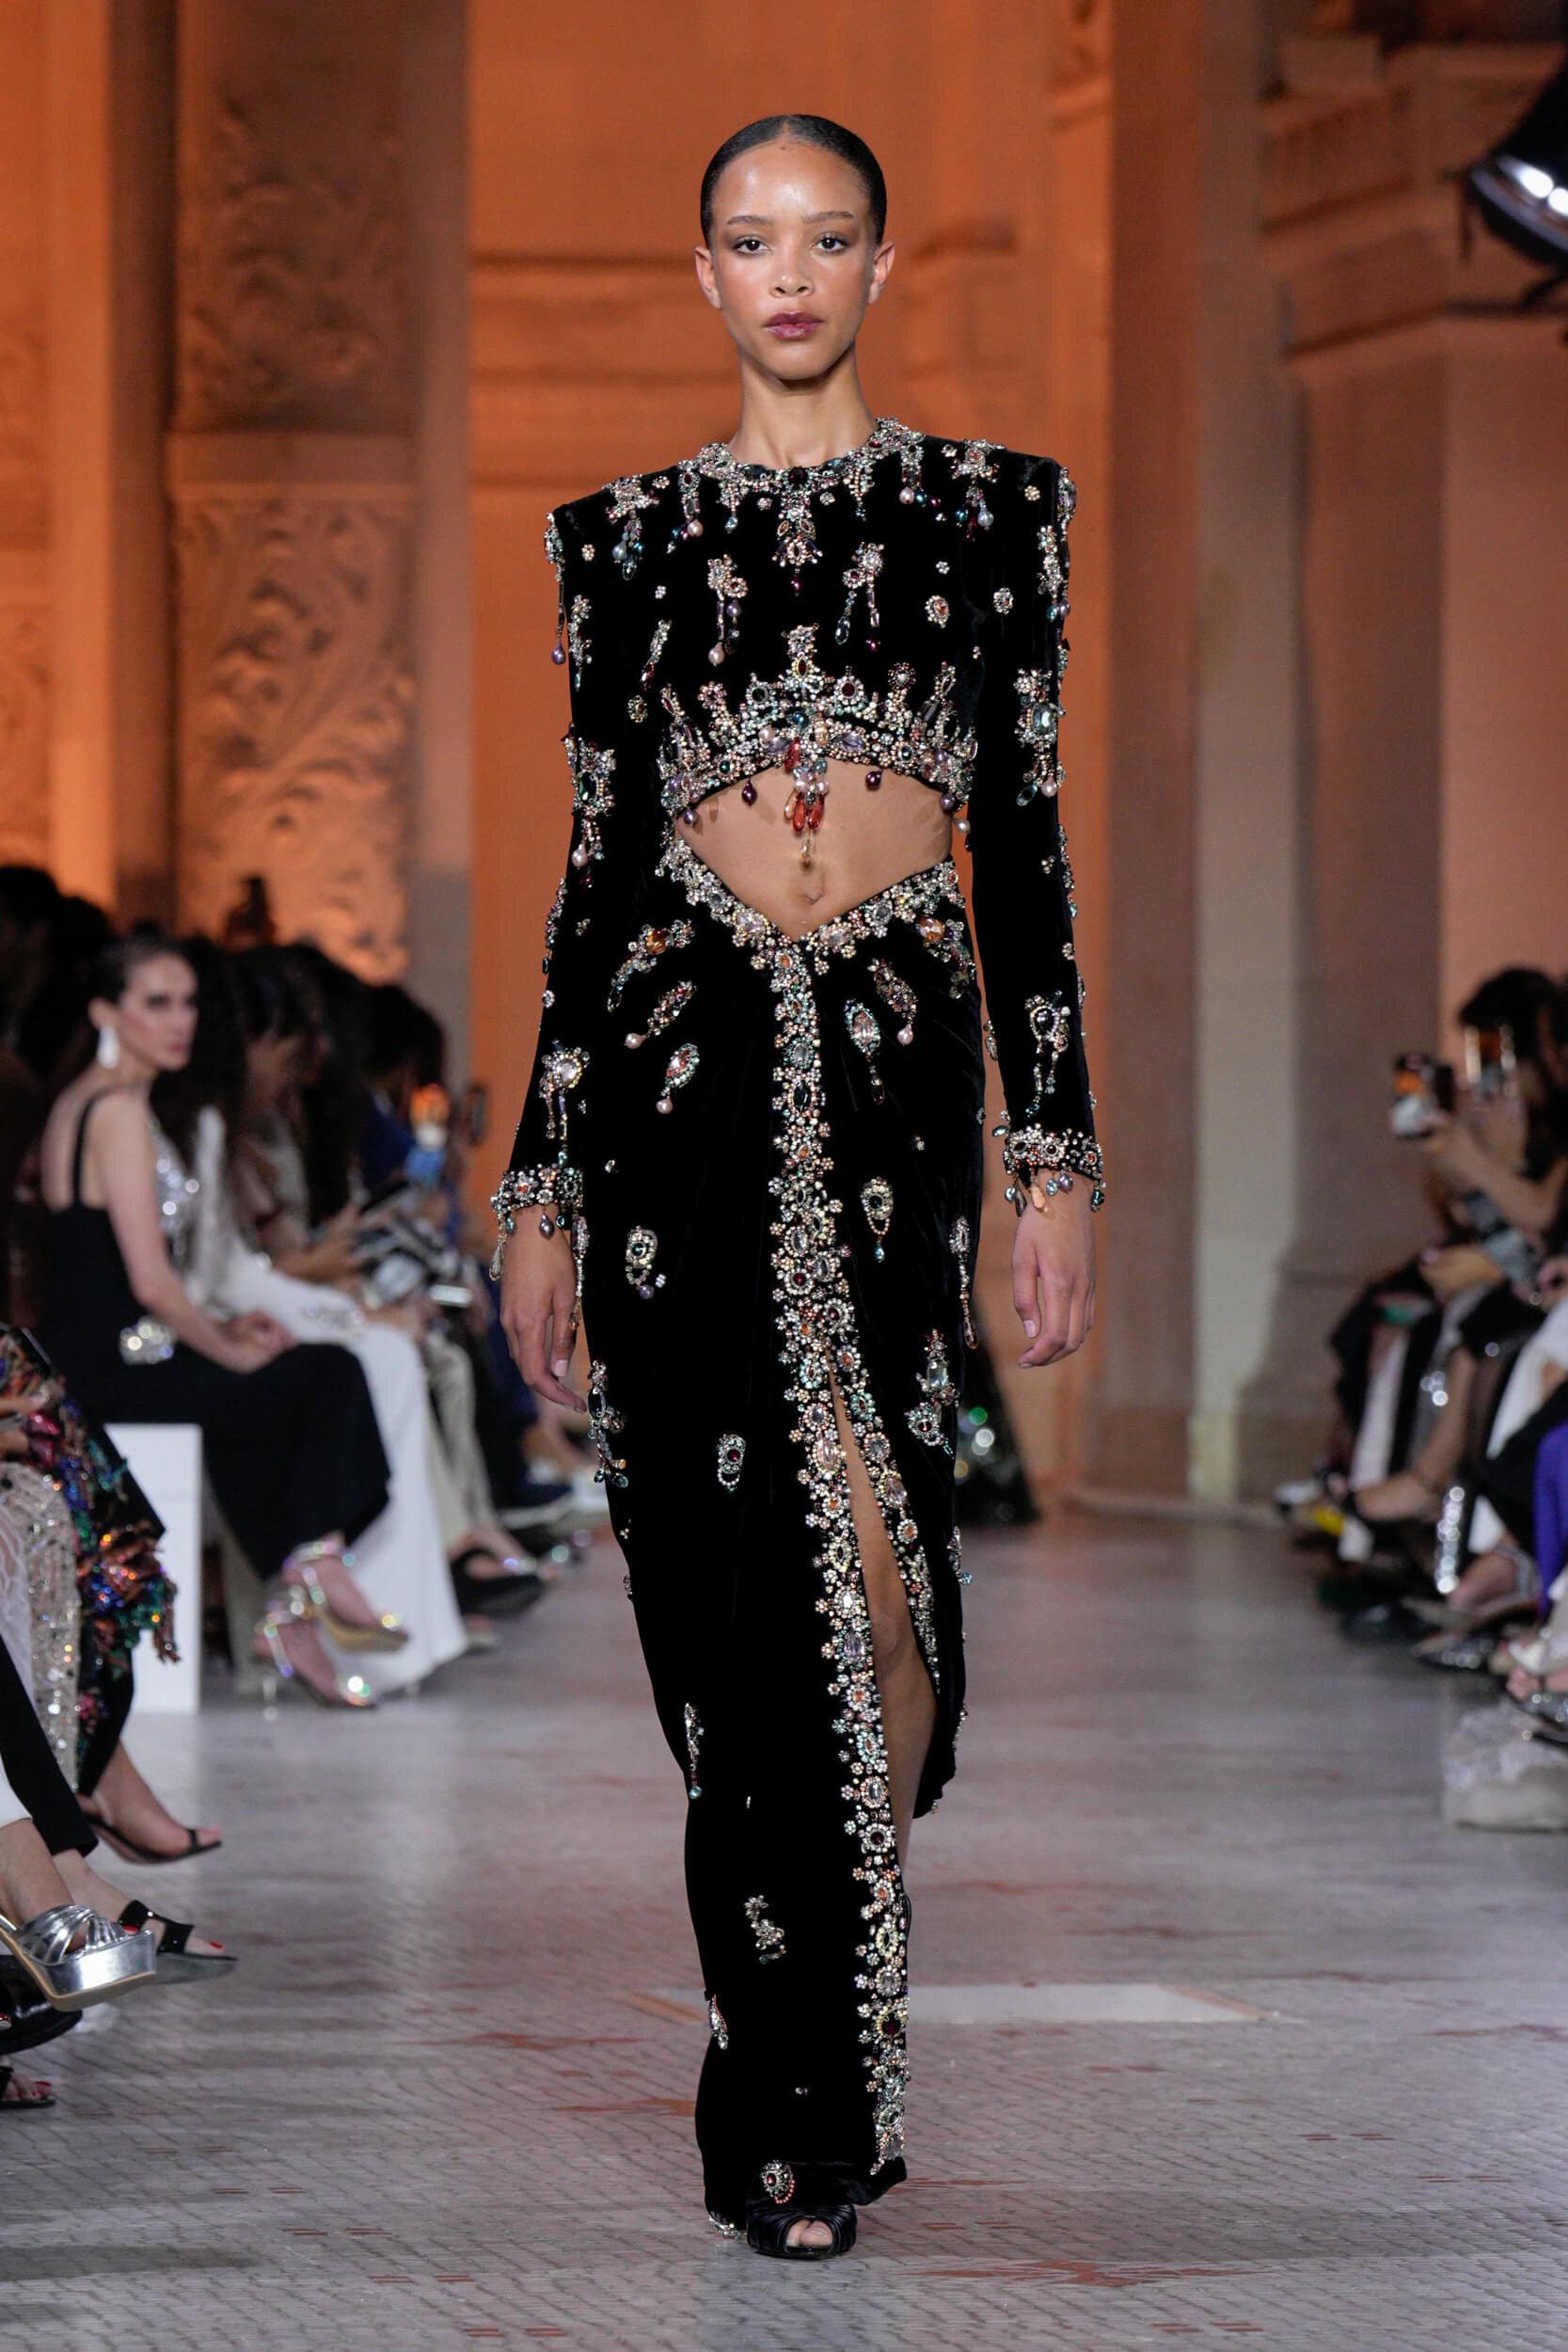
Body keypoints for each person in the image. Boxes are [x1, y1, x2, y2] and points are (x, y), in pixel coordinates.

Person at [494, 116, 1102, 2260]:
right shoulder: (619, 543)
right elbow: (593, 878)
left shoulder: (990, 513)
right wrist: (538, 1181)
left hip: (895, 1061)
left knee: (885, 1564)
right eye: (749, 240)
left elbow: (1024, 853)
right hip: (677, 1065)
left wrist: (1053, 1155)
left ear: (880, 263)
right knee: (731, 1593)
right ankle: (793, 2100)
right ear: (702, 271)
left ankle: (828, 1957)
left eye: (825, 238)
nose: (786, 273)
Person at [36, 932, 396, 1713]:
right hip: (108, 1368)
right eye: (156, 1003)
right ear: (106, 1014)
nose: (180, 1021)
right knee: (328, 1372)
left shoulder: (94, 1102)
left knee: (275, 1398)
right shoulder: (115, 1112)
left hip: (115, 1353)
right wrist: (230, 1354)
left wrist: (227, 1338)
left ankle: (294, 1600)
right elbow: (150, 1283)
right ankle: (309, 1568)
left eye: (189, 1002)